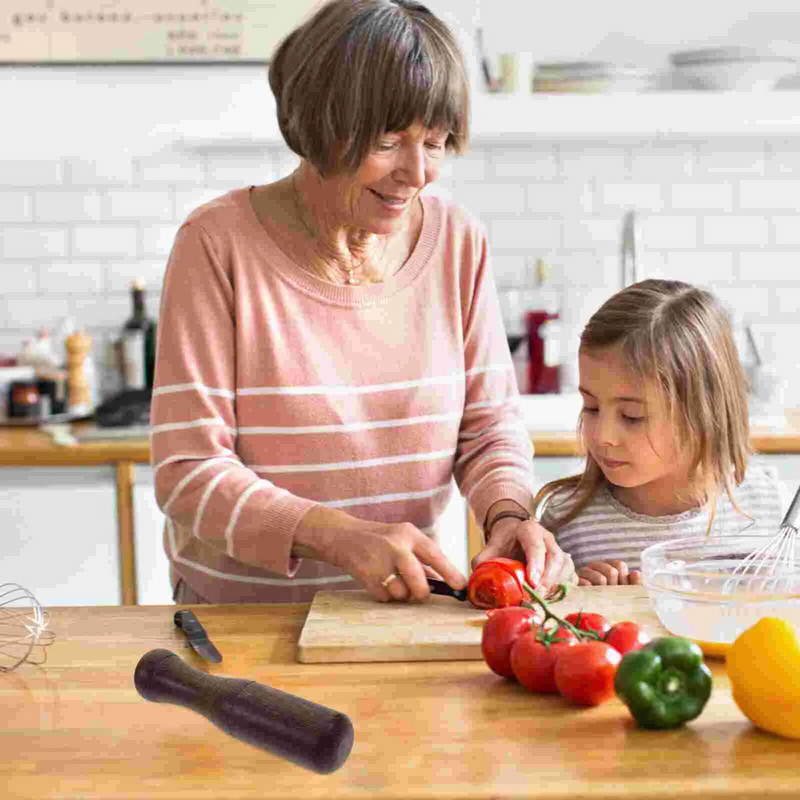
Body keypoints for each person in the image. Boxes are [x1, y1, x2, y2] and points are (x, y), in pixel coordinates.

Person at [150, 0, 575, 605]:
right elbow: (188, 471)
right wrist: (335, 536)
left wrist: (508, 514)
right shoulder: (216, 244)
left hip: (402, 610)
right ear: (316, 125)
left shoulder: (457, 241)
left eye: (436, 141)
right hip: (239, 627)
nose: (418, 172)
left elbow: (488, 429)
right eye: (387, 141)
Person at [534, 279, 784, 587]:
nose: (603, 436)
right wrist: (580, 597)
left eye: (632, 416)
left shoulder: (770, 507)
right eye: (591, 407)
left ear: (701, 411)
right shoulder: (568, 522)